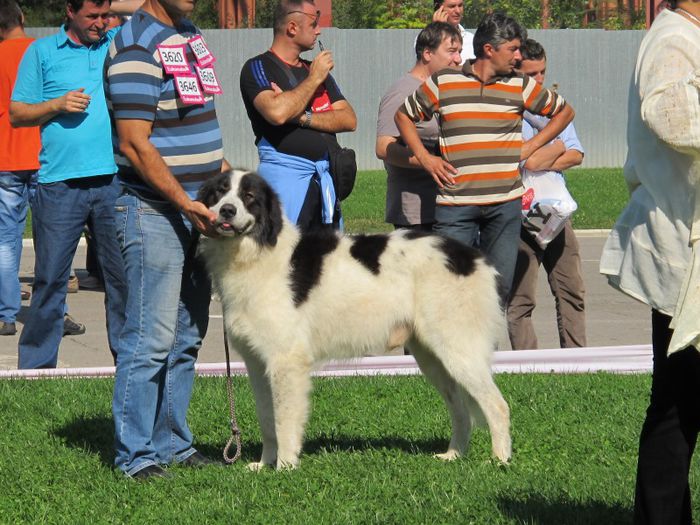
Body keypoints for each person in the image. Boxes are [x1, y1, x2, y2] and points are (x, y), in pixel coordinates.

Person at [105, 0, 230, 479]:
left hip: (196, 207)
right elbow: (135, 142)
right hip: (153, 210)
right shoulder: (137, 45)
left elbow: (194, 122)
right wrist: (184, 201)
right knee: (150, 339)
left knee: (186, 337)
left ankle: (173, 444)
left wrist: (223, 179)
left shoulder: (186, 32)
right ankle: (135, 457)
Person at [599, 2, 700, 522]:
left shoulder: (682, 34)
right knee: (677, 402)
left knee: (679, 402)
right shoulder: (674, 38)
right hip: (682, 248)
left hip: (684, 242)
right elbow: (671, 115)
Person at [395, 12, 574, 302]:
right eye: (512, 49)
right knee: (449, 288)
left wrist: (531, 147)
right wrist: (426, 159)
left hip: (504, 205)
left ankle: (486, 349)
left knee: (496, 292)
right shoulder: (444, 81)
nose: (518, 56)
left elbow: (565, 112)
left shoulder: (520, 84)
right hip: (456, 206)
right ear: (489, 49)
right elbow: (403, 116)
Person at [9, 0, 138, 368]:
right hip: (58, 186)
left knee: (121, 282)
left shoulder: (115, 42)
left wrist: (114, 6)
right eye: (92, 16)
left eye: (105, 15)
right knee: (50, 280)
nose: (100, 24)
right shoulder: (43, 51)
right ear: (70, 11)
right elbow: (18, 114)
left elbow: (150, 8)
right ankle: (35, 368)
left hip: (112, 181)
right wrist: (57, 104)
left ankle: (129, 366)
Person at [240, 0, 357, 231]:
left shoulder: (312, 69)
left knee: (327, 260)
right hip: (285, 184)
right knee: (283, 258)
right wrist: (313, 80)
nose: (319, 30)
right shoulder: (258, 67)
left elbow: (349, 119)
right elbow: (277, 112)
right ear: (292, 28)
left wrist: (302, 116)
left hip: (323, 181)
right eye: (313, 24)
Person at [507, 39, 586, 350]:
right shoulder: (507, 110)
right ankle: (527, 366)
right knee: (521, 299)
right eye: (532, 74)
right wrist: (556, 145)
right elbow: (530, 160)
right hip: (521, 214)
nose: (539, 81)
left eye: (543, 73)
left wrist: (547, 152)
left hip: (556, 211)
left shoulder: (555, 105)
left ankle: (578, 360)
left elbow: (577, 153)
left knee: (572, 289)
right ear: (516, 73)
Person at [376, 22, 462, 231]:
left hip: (447, 207)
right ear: (427, 54)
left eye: (459, 51)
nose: (458, 59)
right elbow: (383, 148)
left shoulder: (444, 88)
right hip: (415, 214)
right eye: (451, 51)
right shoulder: (402, 92)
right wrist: (428, 161)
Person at [0, 1, 40, 336]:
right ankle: (55, 312)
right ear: (22, 18)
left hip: (5, 159)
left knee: (5, 239)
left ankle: (6, 315)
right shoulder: (42, 51)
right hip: (45, 156)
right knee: (53, 239)